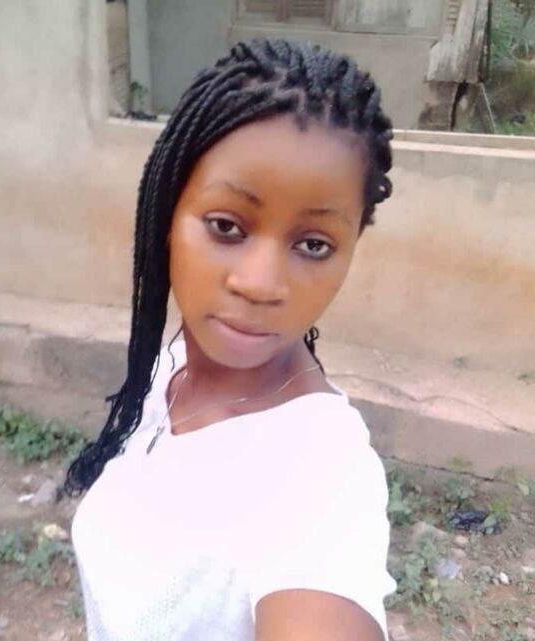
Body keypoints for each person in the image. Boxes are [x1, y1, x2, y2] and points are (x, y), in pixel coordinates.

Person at [66, 39, 396, 641]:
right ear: (167, 212)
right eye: (227, 226)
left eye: (313, 244)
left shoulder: (324, 476)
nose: (260, 284)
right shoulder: (174, 365)